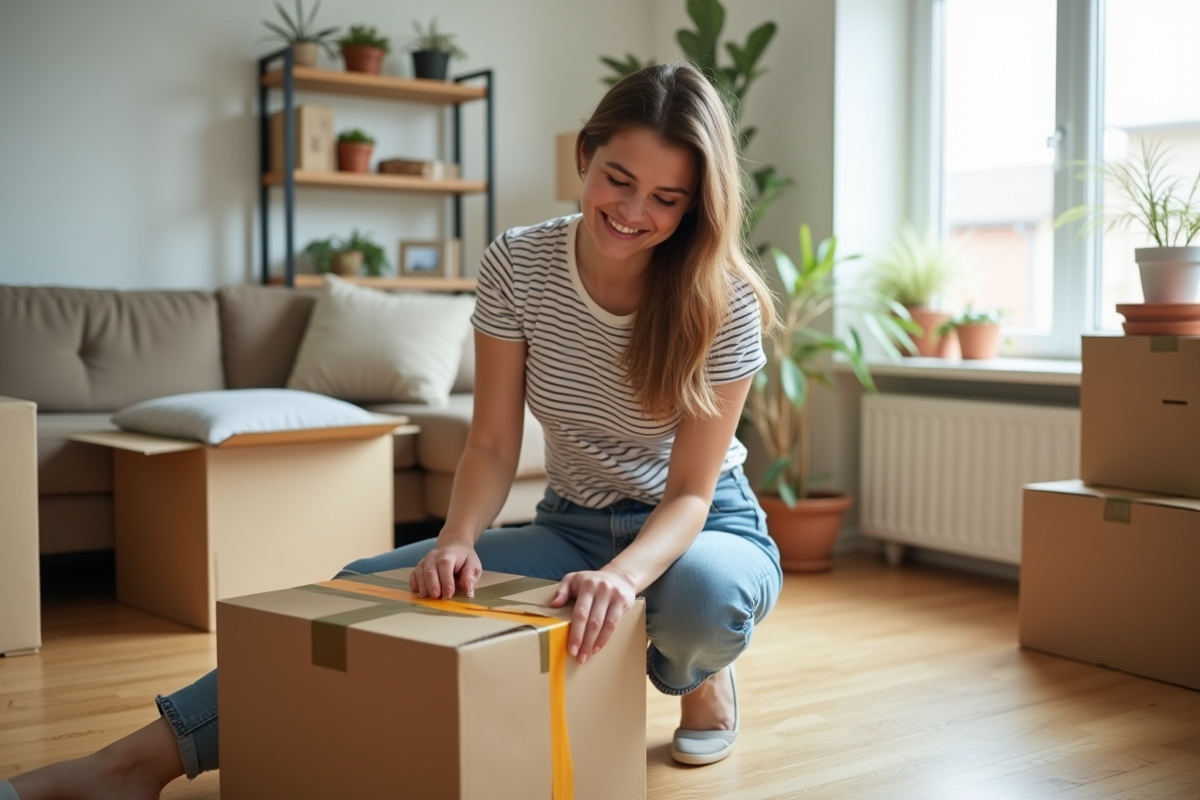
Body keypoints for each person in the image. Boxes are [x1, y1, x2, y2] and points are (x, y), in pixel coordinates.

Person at [0, 60, 783, 800]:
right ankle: (133, 764)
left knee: (697, 600)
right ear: (585, 154)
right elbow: (491, 443)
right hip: (573, 526)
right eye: (619, 178)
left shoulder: (724, 302)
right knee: (368, 588)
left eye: (667, 198)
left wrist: (625, 576)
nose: (634, 211)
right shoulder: (520, 262)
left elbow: (688, 492)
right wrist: (456, 539)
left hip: (702, 526)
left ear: (696, 205)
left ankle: (698, 673)